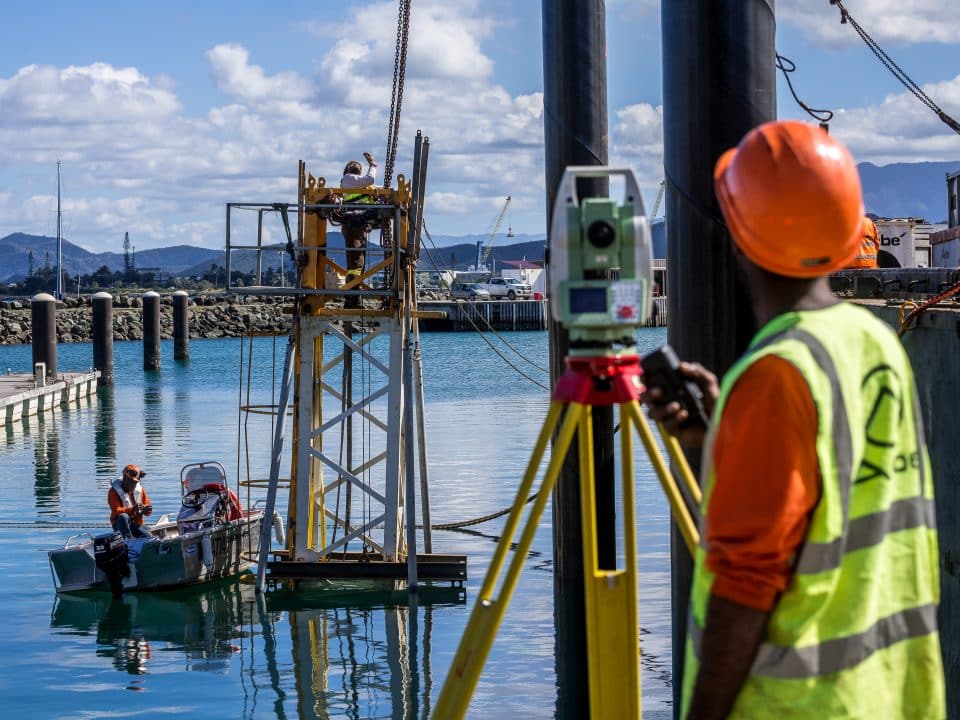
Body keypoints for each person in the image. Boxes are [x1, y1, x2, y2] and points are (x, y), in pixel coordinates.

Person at [644, 121, 944, 719]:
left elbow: (743, 588)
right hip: (891, 695)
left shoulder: (779, 375)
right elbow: (836, 483)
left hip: (797, 705)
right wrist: (723, 432)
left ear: (739, 233)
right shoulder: (875, 341)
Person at [340, 151, 379, 308]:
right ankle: (353, 297)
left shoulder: (360, 185)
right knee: (357, 261)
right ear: (348, 170)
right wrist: (373, 164)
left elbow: (373, 185)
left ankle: (354, 298)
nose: (355, 165)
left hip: (358, 224)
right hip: (353, 223)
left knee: (357, 262)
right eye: (352, 165)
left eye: (356, 165)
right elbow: (369, 179)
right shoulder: (348, 179)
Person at [108, 463, 153, 539]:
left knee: (149, 538)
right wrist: (132, 509)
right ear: (124, 478)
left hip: (136, 523)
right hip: (120, 524)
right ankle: (127, 540)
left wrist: (145, 510)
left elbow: (148, 508)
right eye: (129, 481)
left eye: (134, 483)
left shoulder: (140, 490)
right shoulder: (113, 491)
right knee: (123, 517)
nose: (132, 485)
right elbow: (116, 510)